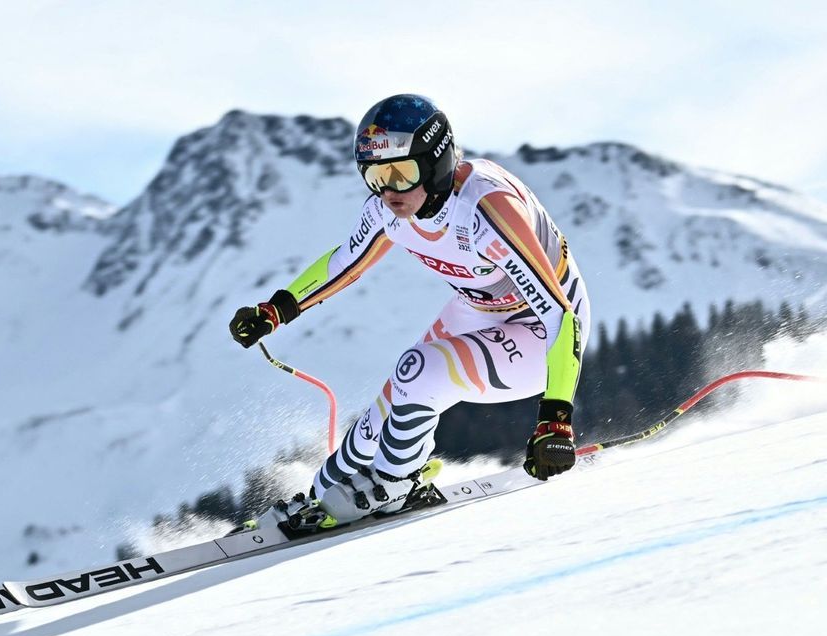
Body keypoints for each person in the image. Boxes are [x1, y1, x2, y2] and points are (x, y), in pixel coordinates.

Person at [229, 93, 590, 528]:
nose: (389, 191)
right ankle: (319, 497)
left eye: (401, 174)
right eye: (376, 176)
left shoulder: (486, 210)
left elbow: (558, 314)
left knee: (416, 370)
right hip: (478, 306)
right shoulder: (390, 209)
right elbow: (345, 263)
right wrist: (276, 310)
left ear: (435, 161)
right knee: (375, 424)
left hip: (539, 329)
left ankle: (396, 484)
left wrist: (556, 421)